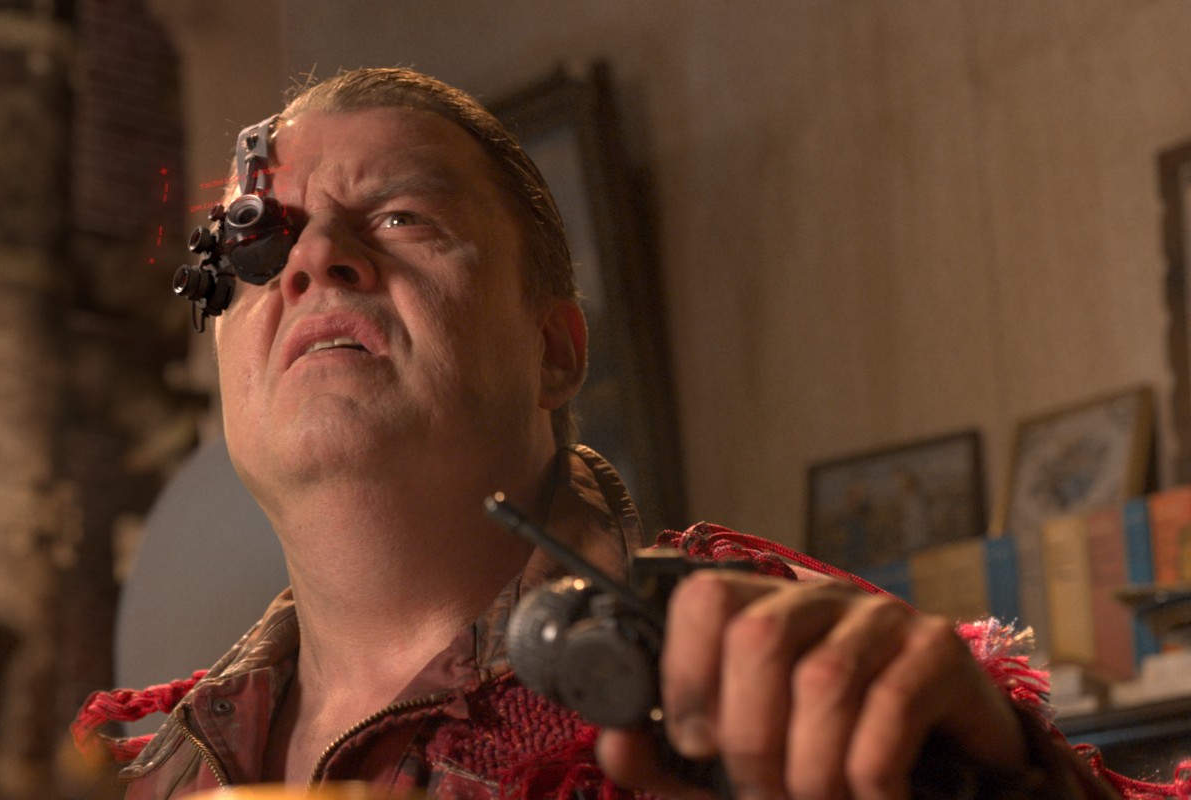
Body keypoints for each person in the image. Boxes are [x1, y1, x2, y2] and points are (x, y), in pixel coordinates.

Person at [75, 68, 1178, 799]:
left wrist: (998, 780)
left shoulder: (757, 662)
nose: (316, 259)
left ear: (557, 350)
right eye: (263, 245)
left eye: (403, 217)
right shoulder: (121, 767)